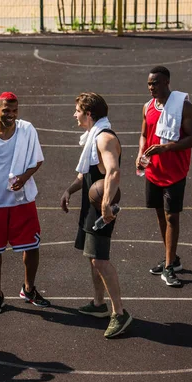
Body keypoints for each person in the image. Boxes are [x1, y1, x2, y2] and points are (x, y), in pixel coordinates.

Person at [0, 92, 50, 315]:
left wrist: (24, 177)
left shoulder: (27, 130)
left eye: (15, 110)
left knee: (32, 246)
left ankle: (29, 289)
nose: (11, 115)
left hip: (22, 199)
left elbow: (38, 160)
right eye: (6, 110)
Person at [60, 92, 132, 338]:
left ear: (89, 114)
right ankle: (99, 305)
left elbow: (113, 171)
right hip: (91, 207)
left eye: (77, 110)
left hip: (101, 209)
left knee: (100, 259)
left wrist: (106, 204)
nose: (74, 115)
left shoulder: (105, 138)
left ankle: (120, 313)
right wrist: (69, 189)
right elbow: (86, 173)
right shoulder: (93, 137)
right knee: (92, 257)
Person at [137, 66, 192, 287]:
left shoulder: (184, 106)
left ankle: (168, 267)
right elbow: (144, 134)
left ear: (166, 82)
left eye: (155, 83)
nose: (151, 87)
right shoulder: (147, 107)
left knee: (172, 217)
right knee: (161, 216)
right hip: (154, 171)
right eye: (149, 84)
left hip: (174, 172)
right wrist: (140, 154)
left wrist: (166, 149)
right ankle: (171, 259)